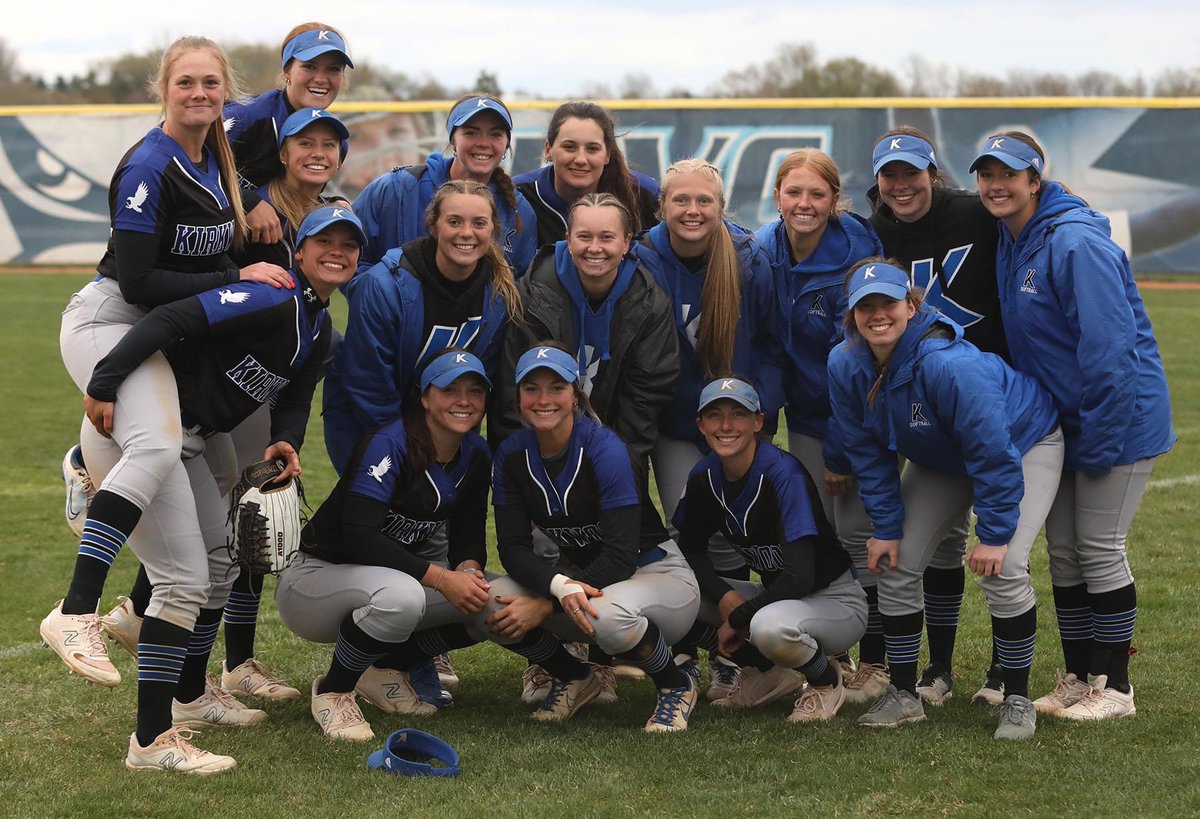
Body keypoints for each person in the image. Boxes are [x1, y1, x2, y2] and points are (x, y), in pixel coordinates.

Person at [71, 204, 361, 772]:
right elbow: (169, 320)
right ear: (297, 252)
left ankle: (187, 698)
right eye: (325, 240)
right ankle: (152, 740)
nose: (338, 252)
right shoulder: (271, 296)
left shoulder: (320, 327)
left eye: (349, 245)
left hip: (193, 442)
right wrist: (104, 382)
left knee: (222, 564)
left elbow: (297, 390)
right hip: (145, 437)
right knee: (184, 580)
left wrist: (284, 438)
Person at [42, 36, 292, 689]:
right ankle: (75, 610)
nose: (200, 93)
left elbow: (223, 224)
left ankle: (184, 692)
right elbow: (139, 282)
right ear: (165, 89)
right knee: (156, 442)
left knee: (215, 525)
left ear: (224, 91)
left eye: (211, 83)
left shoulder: (215, 157)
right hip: (114, 320)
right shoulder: (150, 164)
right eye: (187, 83)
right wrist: (235, 277)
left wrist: (255, 203)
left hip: (166, 334)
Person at [96, 107, 355, 704]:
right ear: (280, 152)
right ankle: (181, 643)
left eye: (330, 144)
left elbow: (303, 365)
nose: (317, 153)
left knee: (241, 525)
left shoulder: (327, 216)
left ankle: (219, 660)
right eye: (304, 142)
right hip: (196, 370)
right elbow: (198, 286)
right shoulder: (250, 206)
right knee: (220, 531)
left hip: (249, 388)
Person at [971, 132, 1175, 720]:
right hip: (1064, 422)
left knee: (1099, 548)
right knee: (1064, 553)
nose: (995, 186)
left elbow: (1112, 356)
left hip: (1118, 420)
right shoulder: (1013, 236)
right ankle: (1080, 677)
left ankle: (1116, 688)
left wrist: (1101, 444)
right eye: (986, 175)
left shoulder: (1075, 243)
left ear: (1035, 179)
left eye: (1008, 175)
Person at [828, 259, 1064, 739]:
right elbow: (867, 453)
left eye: (889, 303)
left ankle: (1016, 699)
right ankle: (904, 693)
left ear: (911, 307)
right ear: (851, 314)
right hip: (945, 454)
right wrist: (887, 528)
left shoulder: (947, 364)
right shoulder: (845, 363)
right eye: (864, 306)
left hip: (1024, 440)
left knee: (1008, 564)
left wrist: (995, 535)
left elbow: (993, 451)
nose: (878, 314)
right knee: (893, 561)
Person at [491, 192, 678, 700]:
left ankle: (603, 654)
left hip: (609, 438)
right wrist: (533, 465)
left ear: (627, 242)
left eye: (606, 237)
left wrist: (615, 460)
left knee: (606, 544)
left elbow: (647, 394)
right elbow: (517, 390)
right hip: (546, 433)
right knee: (548, 544)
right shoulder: (533, 293)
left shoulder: (648, 299)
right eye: (584, 236)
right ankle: (554, 658)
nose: (595, 247)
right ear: (566, 239)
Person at [479, 344, 701, 731]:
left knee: (609, 617)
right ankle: (575, 676)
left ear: (575, 396)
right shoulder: (512, 455)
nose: (543, 399)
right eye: (532, 388)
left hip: (655, 576)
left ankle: (676, 685)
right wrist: (558, 587)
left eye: (556, 387)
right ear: (518, 397)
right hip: (585, 583)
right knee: (487, 599)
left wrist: (547, 604)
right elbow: (512, 548)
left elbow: (619, 556)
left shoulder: (606, 448)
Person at [276, 349, 494, 741]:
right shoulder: (389, 443)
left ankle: (385, 670)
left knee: (494, 599)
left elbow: (469, 534)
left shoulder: (475, 453)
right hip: (313, 583)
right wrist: (444, 580)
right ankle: (334, 690)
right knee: (404, 595)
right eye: (450, 389)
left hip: (385, 584)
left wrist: (469, 572)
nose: (464, 400)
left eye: (475, 391)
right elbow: (361, 537)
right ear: (425, 397)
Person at [867, 127, 1009, 706]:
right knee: (943, 543)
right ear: (877, 182)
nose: (902, 185)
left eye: (912, 172)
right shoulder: (874, 233)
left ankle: (1004, 671)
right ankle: (940, 670)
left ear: (933, 173)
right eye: (890, 175)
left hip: (996, 394)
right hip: (928, 407)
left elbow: (1043, 212)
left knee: (1008, 547)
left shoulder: (978, 215)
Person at [633, 158, 778, 699]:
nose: (692, 211)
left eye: (704, 201)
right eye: (680, 200)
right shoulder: (642, 255)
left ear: (721, 206)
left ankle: (741, 648)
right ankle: (695, 647)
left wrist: (757, 415)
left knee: (737, 536)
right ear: (661, 205)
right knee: (687, 535)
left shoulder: (747, 256)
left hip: (736, 421)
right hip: (674, 423)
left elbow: (770, 343)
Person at [753, 149, 883, 703]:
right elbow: (763, 342)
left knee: (859, 537)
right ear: (777, 196)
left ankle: (879, 659)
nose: (804, 204)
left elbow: (856, 363)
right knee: (814, 535)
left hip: (855, 419)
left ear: (835, 201)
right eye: (794, 193)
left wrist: (839, 449)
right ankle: (831, 649)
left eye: (817, 194)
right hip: (801, 412)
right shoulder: (761, 249)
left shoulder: (858, 253)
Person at [674, 377, 867, 723]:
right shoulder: (704, 476)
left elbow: (799, 576)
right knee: (678, 594)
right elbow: (688, 549)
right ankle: (767, 674)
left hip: (835, 599)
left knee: (767, 626)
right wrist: (723, 596)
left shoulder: (782, 474)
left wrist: (738, 615)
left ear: (758, 422)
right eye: (715, 415)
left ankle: (826, 680)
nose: (727, 425)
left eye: (738, 414)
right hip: (779, 596)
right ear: (701, 425)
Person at [323, 179, 522, 473]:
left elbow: (484, 380)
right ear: (433, 225)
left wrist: (453, 442)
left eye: (479, 223)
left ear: (492, 229)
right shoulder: (383, 286)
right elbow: (367, 381)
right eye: (454, 221)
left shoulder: (499, 296)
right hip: (371, 431)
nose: (466, 233)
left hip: (445, 438)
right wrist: (405, 449)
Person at [354, 94, 537, 274]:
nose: (483, 143)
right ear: (453, 139)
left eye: (495, 134)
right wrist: (384, 298)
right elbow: (352, 254)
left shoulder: (519, 209)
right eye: (471, 132)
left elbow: (521, 283)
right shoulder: (398, 188)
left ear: (506, 144)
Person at [224, 22, 353, 246]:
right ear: (287, 72)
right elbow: (181, 164)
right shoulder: (248, 116)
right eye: (309, 66)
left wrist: (329, 205)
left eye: (333, 69)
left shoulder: (335, 143)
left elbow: (293, 202)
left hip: (255, 250)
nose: (321, 78)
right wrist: (247, 201)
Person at [513, 101, 660, 248]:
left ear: (607, 154)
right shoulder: (519, 195)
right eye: (569, 147)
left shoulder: (644, 194)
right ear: (548, 149)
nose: (581, 159)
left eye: (592, 148)